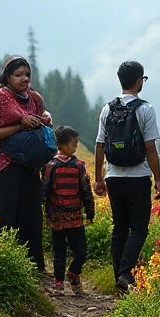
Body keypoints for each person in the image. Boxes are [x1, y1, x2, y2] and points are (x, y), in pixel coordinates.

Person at [0, 55, 51, 275]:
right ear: (7, 76)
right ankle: (3, 265)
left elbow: (40, 128)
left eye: (27, 75)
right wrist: (19, 125)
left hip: (31, 166)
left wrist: (44, 122)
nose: (24, 79)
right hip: (6, 165)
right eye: (18, 75)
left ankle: (34, 268)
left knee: (32, 216)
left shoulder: (35, 99)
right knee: (6, 215)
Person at [93, 60, 160, 292]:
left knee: (120, 228)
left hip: (113, 176)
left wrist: (98, 178)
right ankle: (125, 274)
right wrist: (158, 179)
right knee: (139, 228)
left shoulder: (107, 109)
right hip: (138, 177)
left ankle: (119, 279)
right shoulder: (145, 109)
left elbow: (99, 145)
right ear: (138, 81)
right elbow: (150, 148)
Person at [43, 126, 95, 296]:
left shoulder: (79, 166)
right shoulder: (51, 167)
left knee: (81, 251)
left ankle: (73, 273)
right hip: (58, 216)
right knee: (59, 252)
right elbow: (46, 192)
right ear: (62, 146)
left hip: (75, 216)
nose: (76, 147)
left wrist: (90, 211)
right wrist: (47, 214)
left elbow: (86, 190)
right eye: (74, 144)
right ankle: (59, 282)